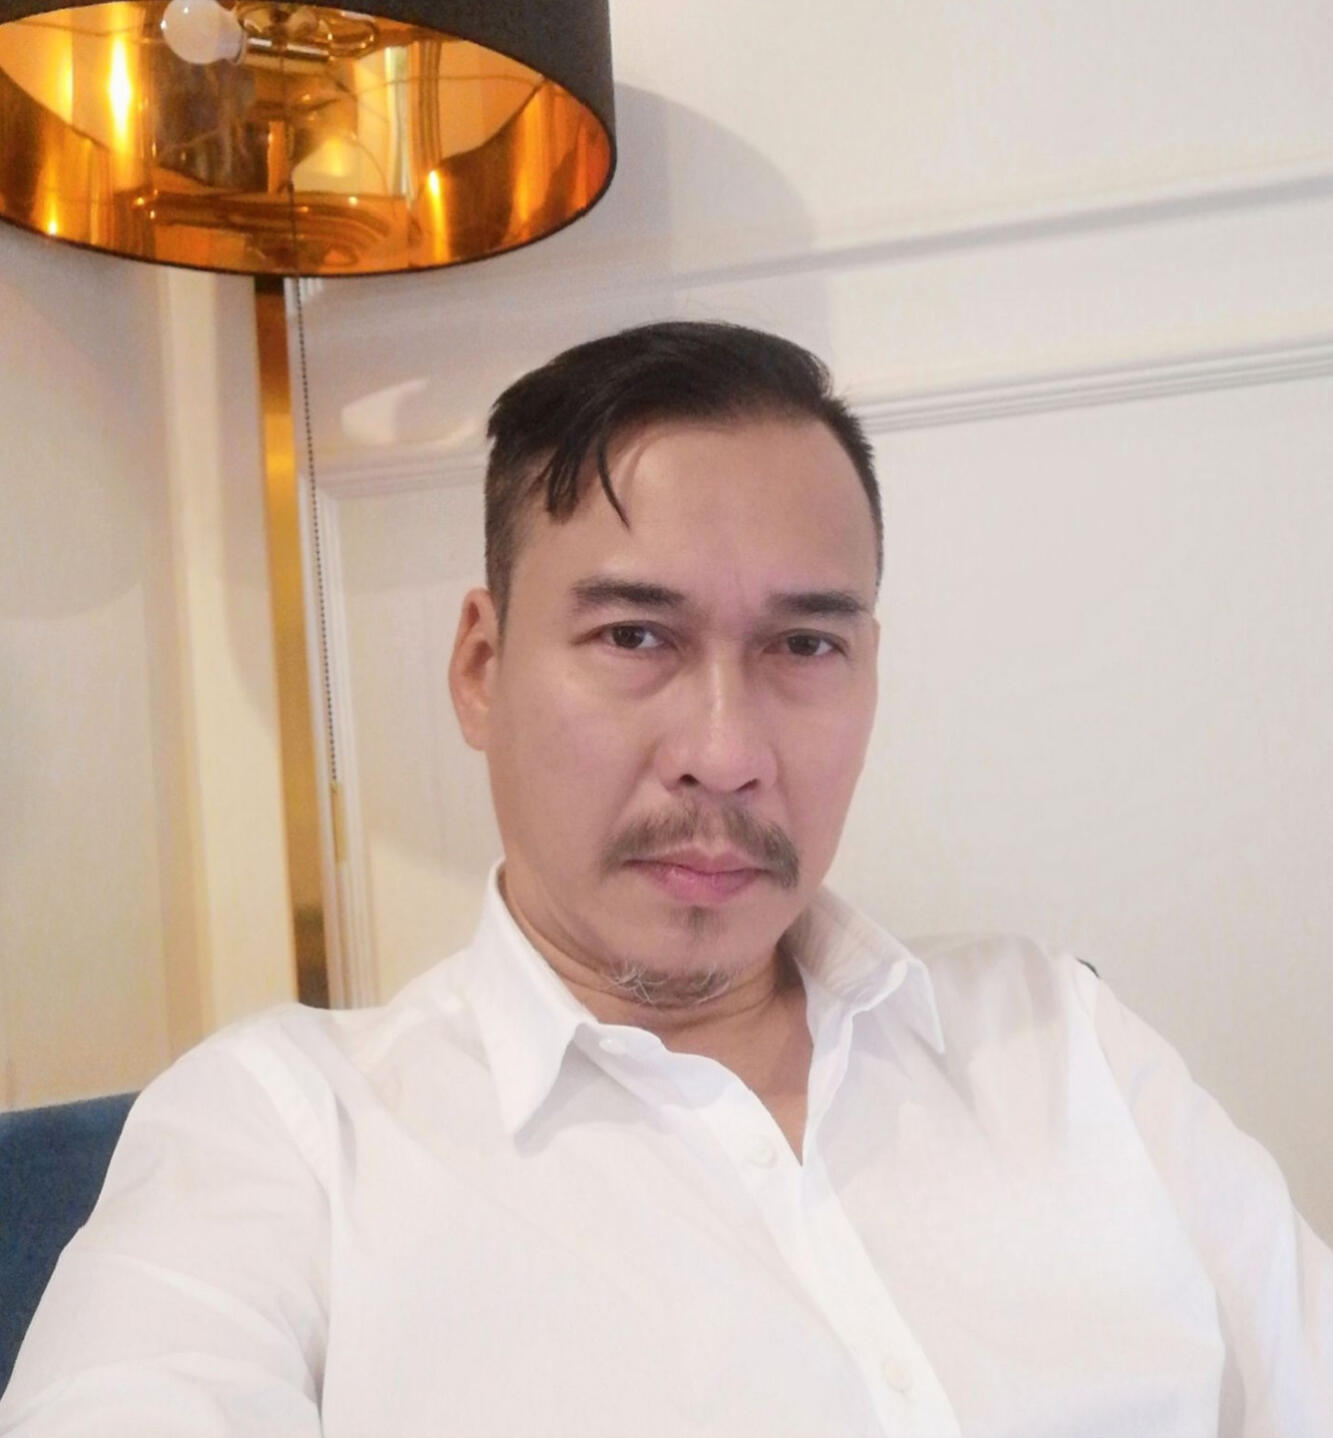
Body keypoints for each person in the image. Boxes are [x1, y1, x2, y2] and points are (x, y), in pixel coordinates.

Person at [1, 322, 1329, 1437]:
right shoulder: (286, 1136)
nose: (726, 752)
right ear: (481, 667)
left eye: (803, 645)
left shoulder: (1060, 1038)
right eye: (635, 634)